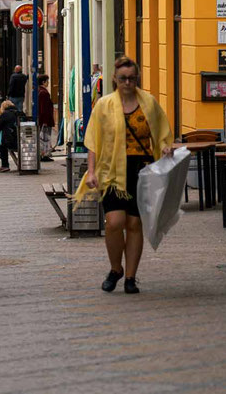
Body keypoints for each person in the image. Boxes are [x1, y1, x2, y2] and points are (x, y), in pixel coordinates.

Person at [74, 56, 173, 295]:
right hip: (111, 171)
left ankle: (130, 277)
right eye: (123, 78)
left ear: (137, 78)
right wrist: (91, 171)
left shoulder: (148, 102)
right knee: (114, 223)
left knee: (135, 223)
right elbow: (93, 141)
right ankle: (115, 268)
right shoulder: (104, 105)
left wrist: (166, 147)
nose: (127, 82)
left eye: (132, 78)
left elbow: (162, 133)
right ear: (114, 79)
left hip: (142, 169)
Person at [0, 100, 19, 174]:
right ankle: (4, 165)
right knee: (2, 140)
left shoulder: (5, 114)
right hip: (19, 141)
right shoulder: (19, 113)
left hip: (8, 142)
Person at [37, 74, 55, 161]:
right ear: (43, 82)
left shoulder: (40, 91)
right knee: (45, 137)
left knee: (43, 137)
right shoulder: (44, 93)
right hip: (45, 119)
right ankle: (44, 155)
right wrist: (45, 121)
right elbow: (43, 108)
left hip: (44, 119)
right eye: (47, 81)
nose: (48, 83)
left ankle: (43, 154)